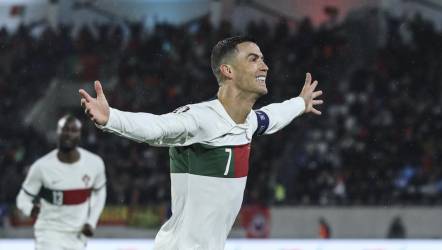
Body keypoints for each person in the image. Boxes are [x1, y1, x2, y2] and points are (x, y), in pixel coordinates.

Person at [79, 36, 323, 250]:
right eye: (253, 59)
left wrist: (301, 103)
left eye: (263, 59)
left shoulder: (247, 122)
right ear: (228, 70)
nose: (265, 66)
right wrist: (111, 118)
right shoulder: (201, 119)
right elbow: (157, 128)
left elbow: (273, 116)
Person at [16, 115, 107, 250]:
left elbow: (100, 193)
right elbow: (22, 198)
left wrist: (91, 222)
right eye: (64, 129)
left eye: (73, 130)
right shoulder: (41, 167)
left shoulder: (95, 163)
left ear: (80, 134)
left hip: (77, 236)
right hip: (49, 233)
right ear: (57, 132)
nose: (68, 134)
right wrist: (30, 209)